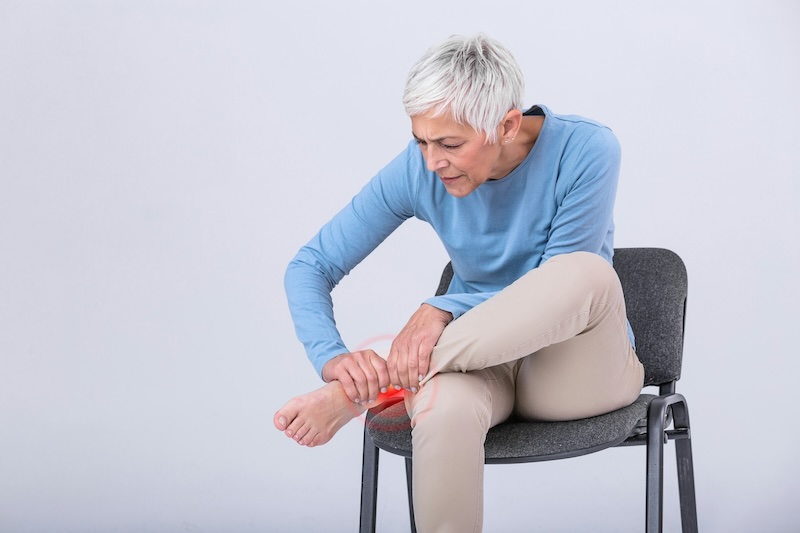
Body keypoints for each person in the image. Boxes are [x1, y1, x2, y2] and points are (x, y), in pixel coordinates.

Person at [274, 33, 644, 532]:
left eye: (450, 144)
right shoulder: (420, 169)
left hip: (573, 369)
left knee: (586, 273)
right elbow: (310, 264)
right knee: (441, 407)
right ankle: (376, 383)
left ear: (507, 125)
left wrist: (444, 307)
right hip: (478, 362)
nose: (432, 162)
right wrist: (333, 358)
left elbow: (554, 288)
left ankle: (370, 388)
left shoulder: (587, 148)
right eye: (421, 140)